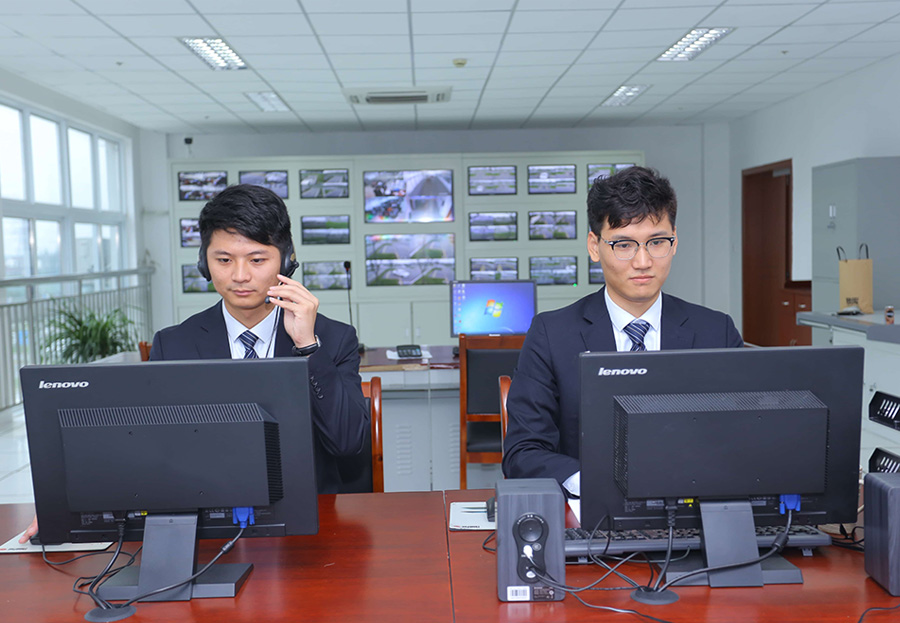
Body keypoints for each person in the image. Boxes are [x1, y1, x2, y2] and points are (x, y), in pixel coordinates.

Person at [20, 184, 368, 543]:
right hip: (202, 528)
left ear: (287, 260)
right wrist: (67, 504)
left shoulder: (332, 338)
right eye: (224, 260)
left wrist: (308, 347)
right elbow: (144, 446)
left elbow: (348, 443)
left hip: (310, 526)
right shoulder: (175, 344)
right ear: (204, 263)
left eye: (257, 260)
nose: (240, 276)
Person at [501, 166, 743, 499]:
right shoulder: (552, 335)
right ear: (594, 246)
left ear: (674, 242)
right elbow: (523, 452)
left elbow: (744, 438)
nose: (643, 261)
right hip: (592, 514)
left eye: (657, 242)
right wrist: (596, 484)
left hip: (692, 508)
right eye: (624, 244)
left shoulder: (716, 332)